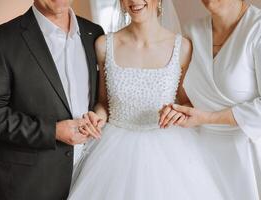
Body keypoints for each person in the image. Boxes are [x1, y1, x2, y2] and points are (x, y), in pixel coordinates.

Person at [68, 0, 223, 199]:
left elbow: (184, 101)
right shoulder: (104, 45)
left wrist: (177, 112)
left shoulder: (183, 47)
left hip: (168, 151)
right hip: (113, 153)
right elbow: (103, 102)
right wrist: (96, 117)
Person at [160, 0, 261, 199]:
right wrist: (179, 110)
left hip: (260, 151)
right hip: (209, 152)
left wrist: (206, 118)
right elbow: (195, 96)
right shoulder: (191, 32)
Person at [0, 0, 104, 199]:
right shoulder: (2, 39)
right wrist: (52, 131)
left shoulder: (94, 33)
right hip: (32, 183)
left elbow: (102, 98)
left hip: (91, 176)